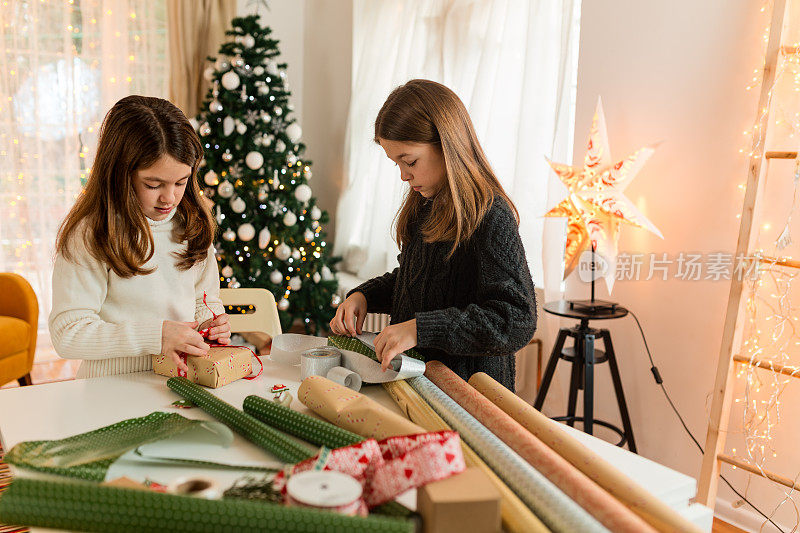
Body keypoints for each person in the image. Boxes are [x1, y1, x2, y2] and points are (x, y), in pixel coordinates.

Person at [330, 79, 537, 391]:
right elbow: (416, 281)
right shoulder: (423, 206)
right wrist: (364, 295)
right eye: (395, 163)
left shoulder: (490, 214)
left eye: (409, 161)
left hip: (470, 397)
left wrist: (420, 330)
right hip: (417, 386)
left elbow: (516, 321)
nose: (403, 174)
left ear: (446, 145)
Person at [49, 95, 231, 379]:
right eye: (153, 184)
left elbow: (203, 298)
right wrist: (155, 335)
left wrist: (211, 323)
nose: (169, 197)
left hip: (180, 380)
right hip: (109, 388)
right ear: (120, 174)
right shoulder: (90, 235)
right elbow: (68, 334)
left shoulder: (192, 225)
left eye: (181, 182)